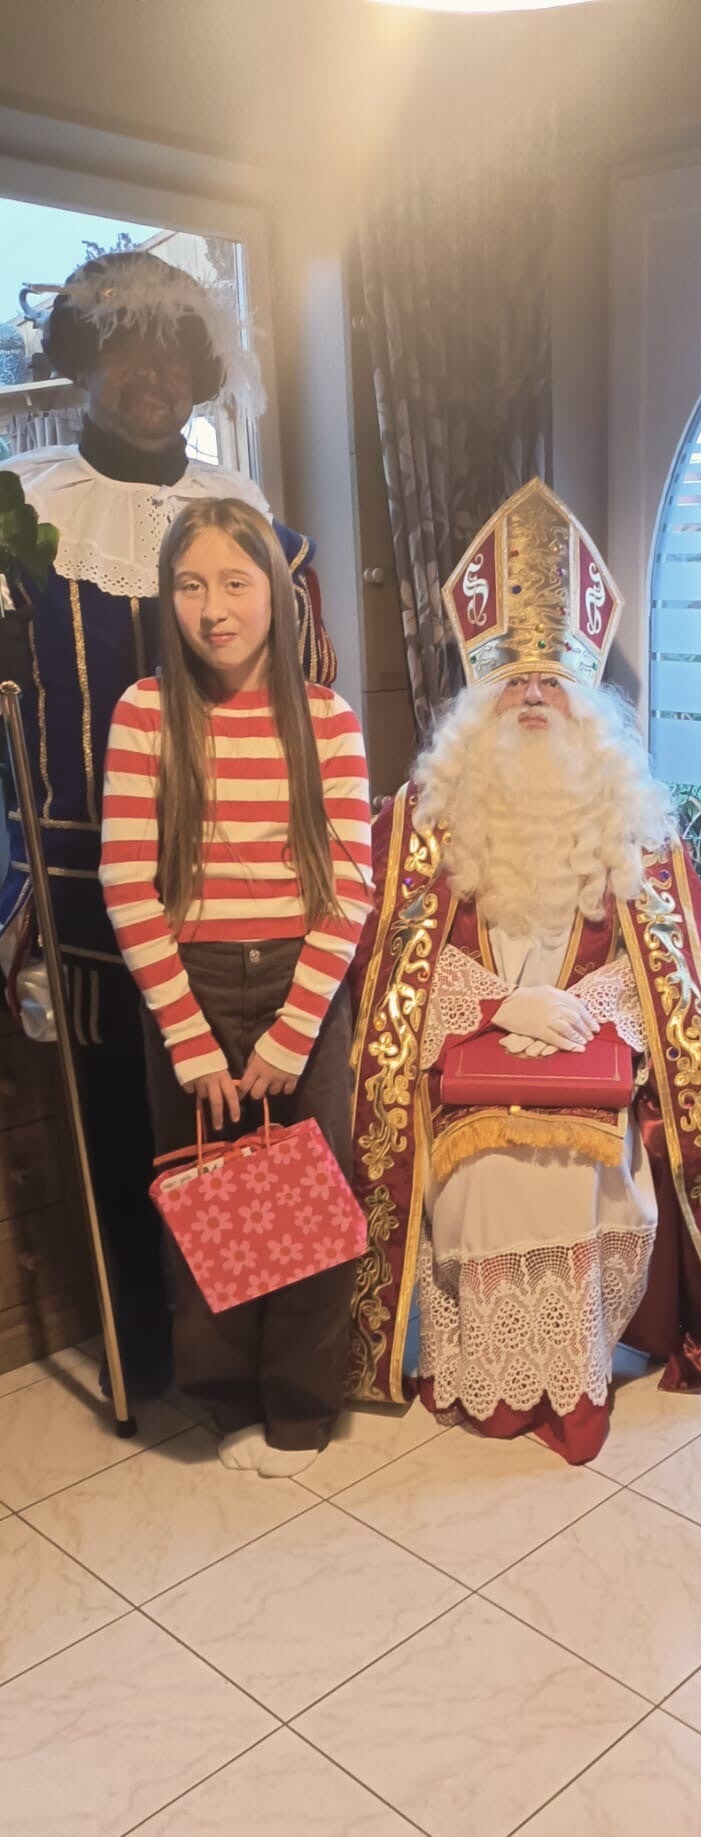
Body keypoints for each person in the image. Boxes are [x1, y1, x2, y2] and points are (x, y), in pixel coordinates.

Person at [348, 478, 701, 1462]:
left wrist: (592, 1007)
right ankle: (488, 1377)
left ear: (590, 706)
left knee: (576, 1175)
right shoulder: (416, 823)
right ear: (475, 705)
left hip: (594, 1064)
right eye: (511, 681)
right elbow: (376, 962)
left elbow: (699, 981)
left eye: (553, 681)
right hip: (463, 1070)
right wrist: (496, 1003)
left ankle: (571, 1379)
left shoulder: (637, 827)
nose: (531, 696)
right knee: (484, 1175)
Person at [0, 249, 336, 1397]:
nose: (152, 375)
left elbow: (310, 717)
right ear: (84, 361)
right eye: (127, 349)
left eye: (174, 354)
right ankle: (157, 1360)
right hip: (89, 910)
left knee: (262, 1148)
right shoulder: (23, 523)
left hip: (251, 910)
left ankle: (259, 1369)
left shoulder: (257, 533)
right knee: (124, 1144)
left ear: (201, 375)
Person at [99, 498, 372, 1475]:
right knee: (207, 1204)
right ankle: (225, 1402)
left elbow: (349, 887)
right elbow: (127, 883)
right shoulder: (143, 713)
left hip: (303, 984)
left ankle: (299, 1407)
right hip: (192, 984)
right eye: (189, 585)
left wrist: (292, 1035)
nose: (213, 609)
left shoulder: (328, 720)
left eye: (234, 582)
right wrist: (192, 1040)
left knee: (310, 1208)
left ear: (276, 593)